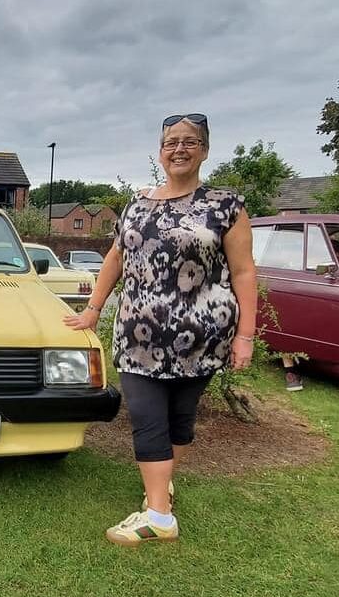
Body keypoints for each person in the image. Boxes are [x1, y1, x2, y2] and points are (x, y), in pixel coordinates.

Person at [64, 113, 256, 546]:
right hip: (140, 336)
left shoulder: (226, 206)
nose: (180, 149)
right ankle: (159, 516)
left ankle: (160, 486)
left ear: (204, 150)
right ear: (160, 150)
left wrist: (245, 335)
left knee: (180, 422)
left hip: (202, 337)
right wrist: (93, 309)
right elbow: (115, 258)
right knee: (148, 417)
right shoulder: (137, 204)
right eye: (171, 142)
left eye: (190, 141)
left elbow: (243, 272)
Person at [282, 239, 339, 391]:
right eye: (336, 255)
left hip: (316, 305)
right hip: (297, 302)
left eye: (338, 256)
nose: (337, 258)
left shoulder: (333, 269)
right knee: (288, 329)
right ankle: (290, 373)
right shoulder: (304, 263)